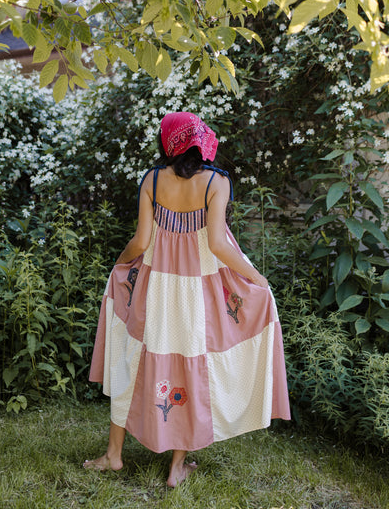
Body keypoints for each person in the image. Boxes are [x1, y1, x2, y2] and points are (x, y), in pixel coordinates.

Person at [84, 112, 290, 487]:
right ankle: (176, 467)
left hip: (154, 288)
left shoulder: (151, 179)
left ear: (167, 144)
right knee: (189, 366)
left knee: (132, 358)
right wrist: (255, 277)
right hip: (196, 293)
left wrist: (122, 261)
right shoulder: (216, 182)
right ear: (200, 141)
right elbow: (216, 243)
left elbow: (142, 242)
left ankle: (114, 455)